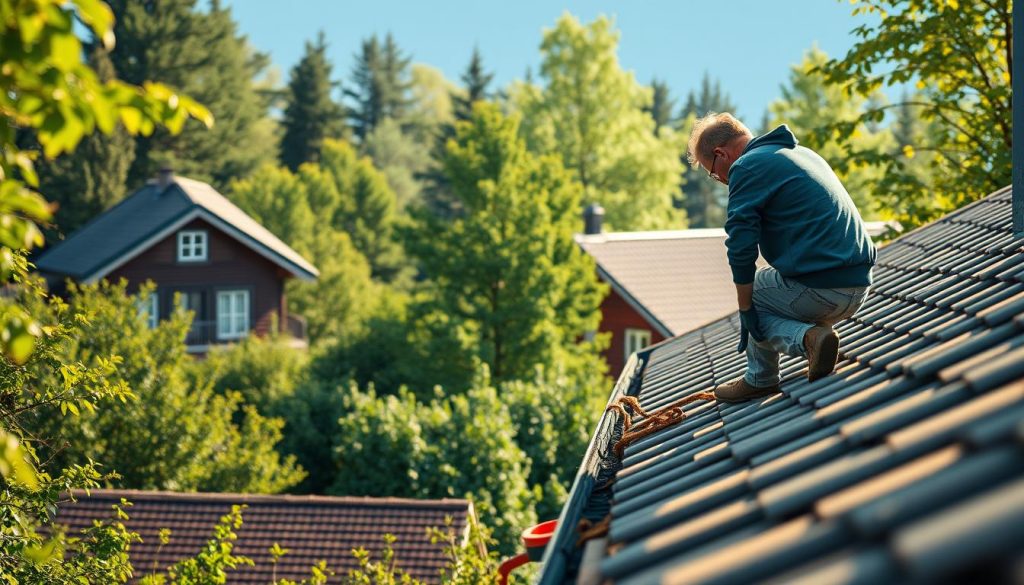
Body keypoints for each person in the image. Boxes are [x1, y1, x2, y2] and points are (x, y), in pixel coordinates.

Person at [686, 113, 876, 402]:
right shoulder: (800, 154)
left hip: (823, 288)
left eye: (714, 174)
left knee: (753, 293)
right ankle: (815, 334)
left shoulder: (747, 167)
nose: (721, 181)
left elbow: (740, 245)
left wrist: (745, 309)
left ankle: (766, 374)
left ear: (720, 154)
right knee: (762, 290)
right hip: (859, 287)